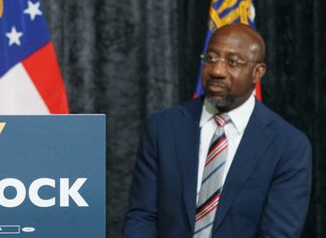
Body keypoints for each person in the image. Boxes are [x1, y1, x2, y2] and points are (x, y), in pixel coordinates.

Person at [123, 23, 312, 237]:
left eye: (233, 62)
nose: (217, 70)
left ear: (257, 72)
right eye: (211, 58)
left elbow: (278, 233)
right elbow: (142, 217)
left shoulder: (288, 145)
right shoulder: (163, 128)